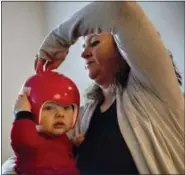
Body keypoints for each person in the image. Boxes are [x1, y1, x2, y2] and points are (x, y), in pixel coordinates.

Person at [2, 1, 184, 174]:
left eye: (95, 43)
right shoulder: (82, 117)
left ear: (124, 49)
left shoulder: (154, 90)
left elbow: (119, 8)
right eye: (83, 46)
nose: (83, 53)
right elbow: (35, 151)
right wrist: (11, 170)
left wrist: (60, 37)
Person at [11, 71, 80, 175]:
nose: (60, 114)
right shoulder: (30, 139)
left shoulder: (62, 138)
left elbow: (61, 158)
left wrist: (75, 146)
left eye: (66, 108)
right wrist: (23, 113)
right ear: (32, 109)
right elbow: (24, 139)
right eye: (49, 108)